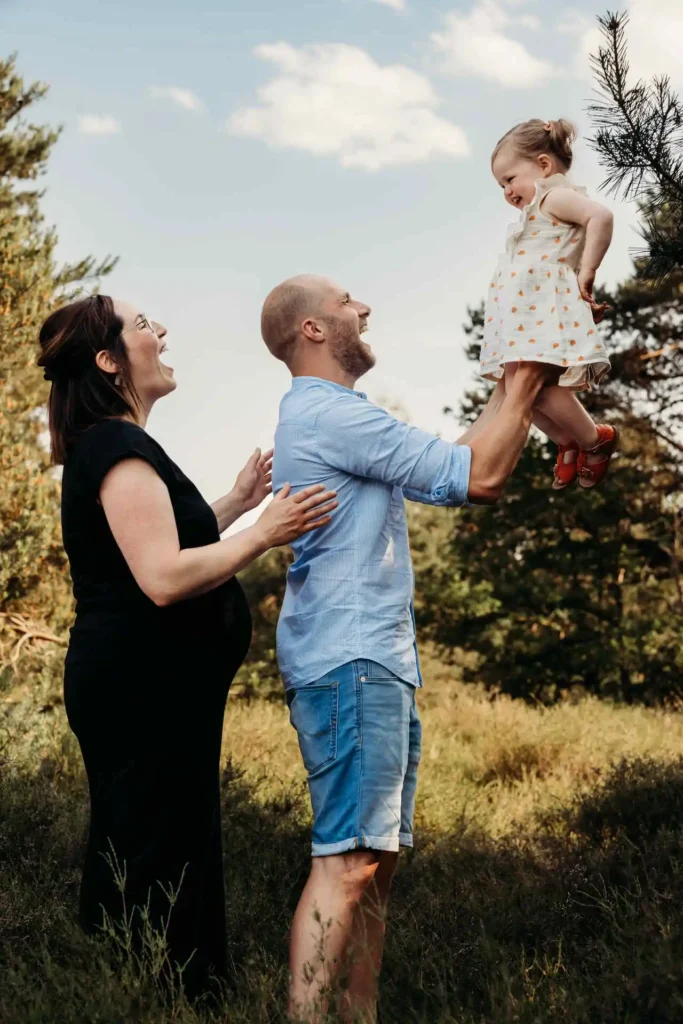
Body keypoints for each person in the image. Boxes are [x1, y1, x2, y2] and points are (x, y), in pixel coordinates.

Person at [260, 274, 554, 1023]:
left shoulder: (335, 418)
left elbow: (457, 461)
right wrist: (524, 367)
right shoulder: (330, 416)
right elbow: (480, 477)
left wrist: (515, 380)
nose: (363, 307)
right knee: (347, 860)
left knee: (374, 865)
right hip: (351, 659)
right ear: (313, 331)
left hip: (369, 659)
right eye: (347, 301)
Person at [36, 294, 337, 999]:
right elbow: (163, 576)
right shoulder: (116, 444)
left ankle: (159, 994)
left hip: (153, 688)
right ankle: (159, 998)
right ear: (110, 361)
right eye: (143, 326)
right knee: (153, 849)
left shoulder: (116, 445)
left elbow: (159, 537)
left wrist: (233, 504)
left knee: (164, 841)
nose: (160, 331)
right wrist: (263, 533)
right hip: (142, 689)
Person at [485, 117, 618, 489]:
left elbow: (601, 216)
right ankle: (568, 443)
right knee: (519, 393)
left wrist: (586, 272)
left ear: (543, 165)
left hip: (543, 313)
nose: (506, 191)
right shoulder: (536, 208)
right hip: (523, 316)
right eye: (501, 185)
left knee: (539, 388)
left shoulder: (553, 196)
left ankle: (595, 439)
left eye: (509, 179)